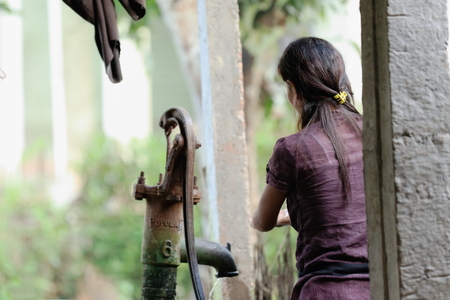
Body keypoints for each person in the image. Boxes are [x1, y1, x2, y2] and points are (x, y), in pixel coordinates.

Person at [251, 37, 369, 300]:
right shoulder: (374, 133)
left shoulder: (292, 149)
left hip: (325, 291)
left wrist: (284, 216)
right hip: (382, 287)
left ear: (292, 88)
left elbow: (262, 221)